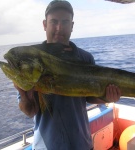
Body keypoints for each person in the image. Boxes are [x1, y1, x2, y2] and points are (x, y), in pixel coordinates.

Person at [14, 0, 121, 150]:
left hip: (81, 144)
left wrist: (106, 97)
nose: (59, 28)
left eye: (65, 22)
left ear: (72, 26)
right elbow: (30, 111)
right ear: (45, 24)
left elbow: (89, 97)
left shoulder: (85, 58)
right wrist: (24, 95)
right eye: (54, 22)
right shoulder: (32, 62)